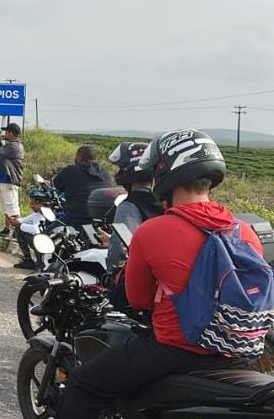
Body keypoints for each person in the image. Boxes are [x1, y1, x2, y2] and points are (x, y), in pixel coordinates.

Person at [59, 130, 264, 419]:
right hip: (239, 351)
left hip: (177, 349)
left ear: (166, 176)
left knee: (82, 385)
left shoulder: (153, 231)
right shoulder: (244, 231)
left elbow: (138, 299)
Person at [105, 142, 162, 270]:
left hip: (140, 275)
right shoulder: (164, 201)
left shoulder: (128, 206)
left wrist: (112, 275)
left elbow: (118, 251)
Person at [53, 144, 112, 228]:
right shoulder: (105, 172)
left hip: (77, 218)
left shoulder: (72, 170)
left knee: (48, 233)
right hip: (101, 221)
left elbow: (57, 184)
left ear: (79, 157)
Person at [0, 123, 25, 236]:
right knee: (6, 207)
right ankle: (7, 229)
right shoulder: (10, 145)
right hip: (3, 181)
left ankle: (18, 232)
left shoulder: (14, 147)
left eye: (7, 132)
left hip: (9, 182)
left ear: (11, 133)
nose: (5, 134)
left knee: (12, 208)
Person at [11, 189, 53, 270]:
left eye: (33, 203)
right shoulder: (37, 214)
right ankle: (28, 261)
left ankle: (41, 264)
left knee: (32, 236)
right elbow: (25, 220)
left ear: (41, 203)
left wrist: (20, 225)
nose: (31, 206)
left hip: (48, 245)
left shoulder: (47, 215)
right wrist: (15, 221)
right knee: (19, 230)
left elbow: (37, 229)